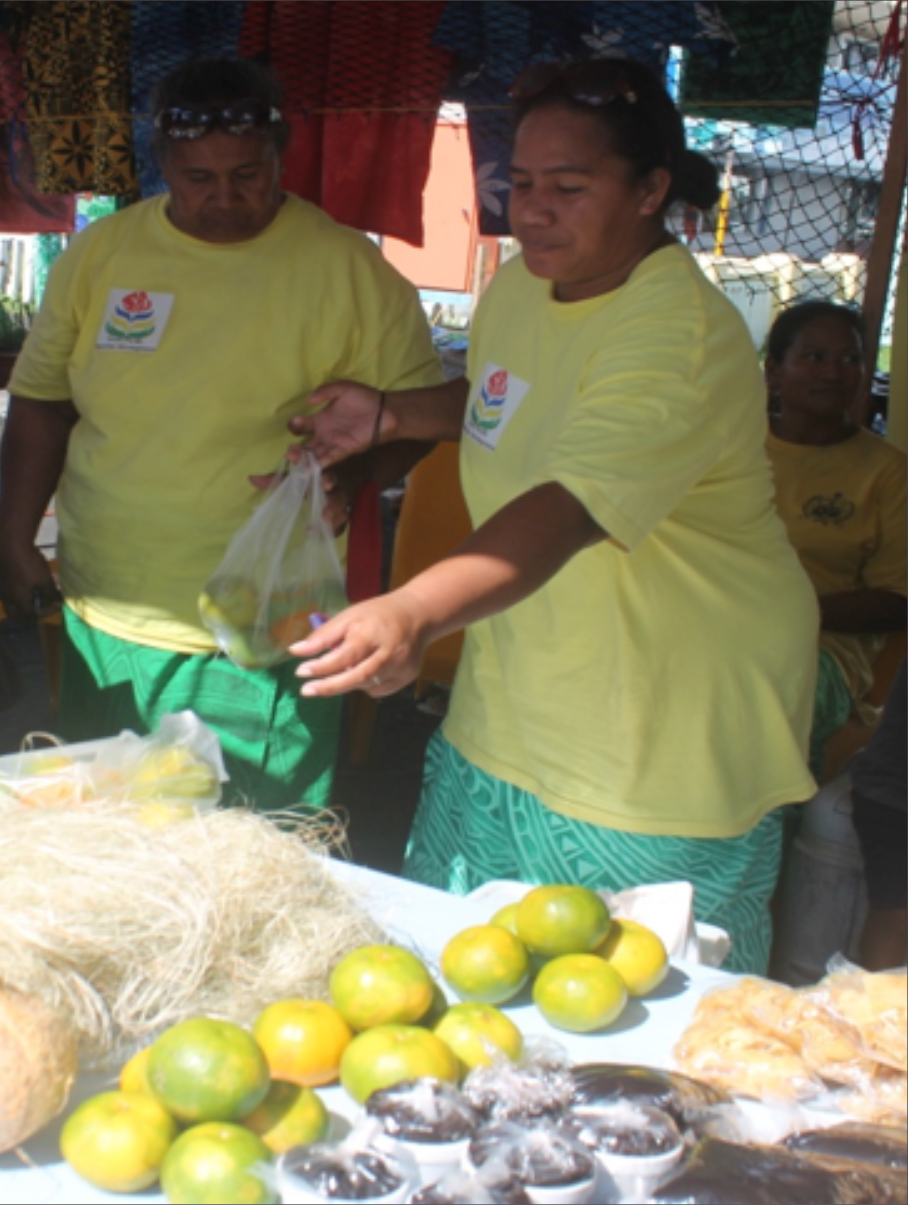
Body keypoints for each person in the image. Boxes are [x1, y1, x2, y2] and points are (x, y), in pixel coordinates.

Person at [289, 57, 817, 975]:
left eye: (568, 188)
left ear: (651, 189)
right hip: (514, 706)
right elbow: (505, 402)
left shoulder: (676, 332)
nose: (531, 210)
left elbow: (570, 505)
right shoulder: (527, 284)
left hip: (654, 745)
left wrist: (410, 610)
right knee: (459, 992)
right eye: (520, 184)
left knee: (624, 1032)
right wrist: (392, 414)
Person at [0, 57, 442, 812]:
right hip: (105, 601)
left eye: (246, 174)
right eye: (197, 177)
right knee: (105, 831)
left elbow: (416, 414)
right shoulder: (101, 255)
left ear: (281, 155)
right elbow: (42, 401)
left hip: (268, 615)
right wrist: (10, 530)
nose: (223, 197)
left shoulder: (350, 269)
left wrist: (352, 478)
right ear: (160, 162)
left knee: (253, 844)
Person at [763, 301, 906, 772]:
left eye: (851, 359)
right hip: (718, 630)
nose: (835, 372)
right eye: (815, 357)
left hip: (823, 651)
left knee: (752, 699)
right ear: (774, 371)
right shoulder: (732, 452)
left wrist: (793, 610)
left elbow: (899, 598)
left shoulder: (887, 473)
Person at [848, 665, 906, 970]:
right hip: (893, 791)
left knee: (894, 917)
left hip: (888, 790)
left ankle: (876, 1009)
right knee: (895, 917)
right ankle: (877, 1011)